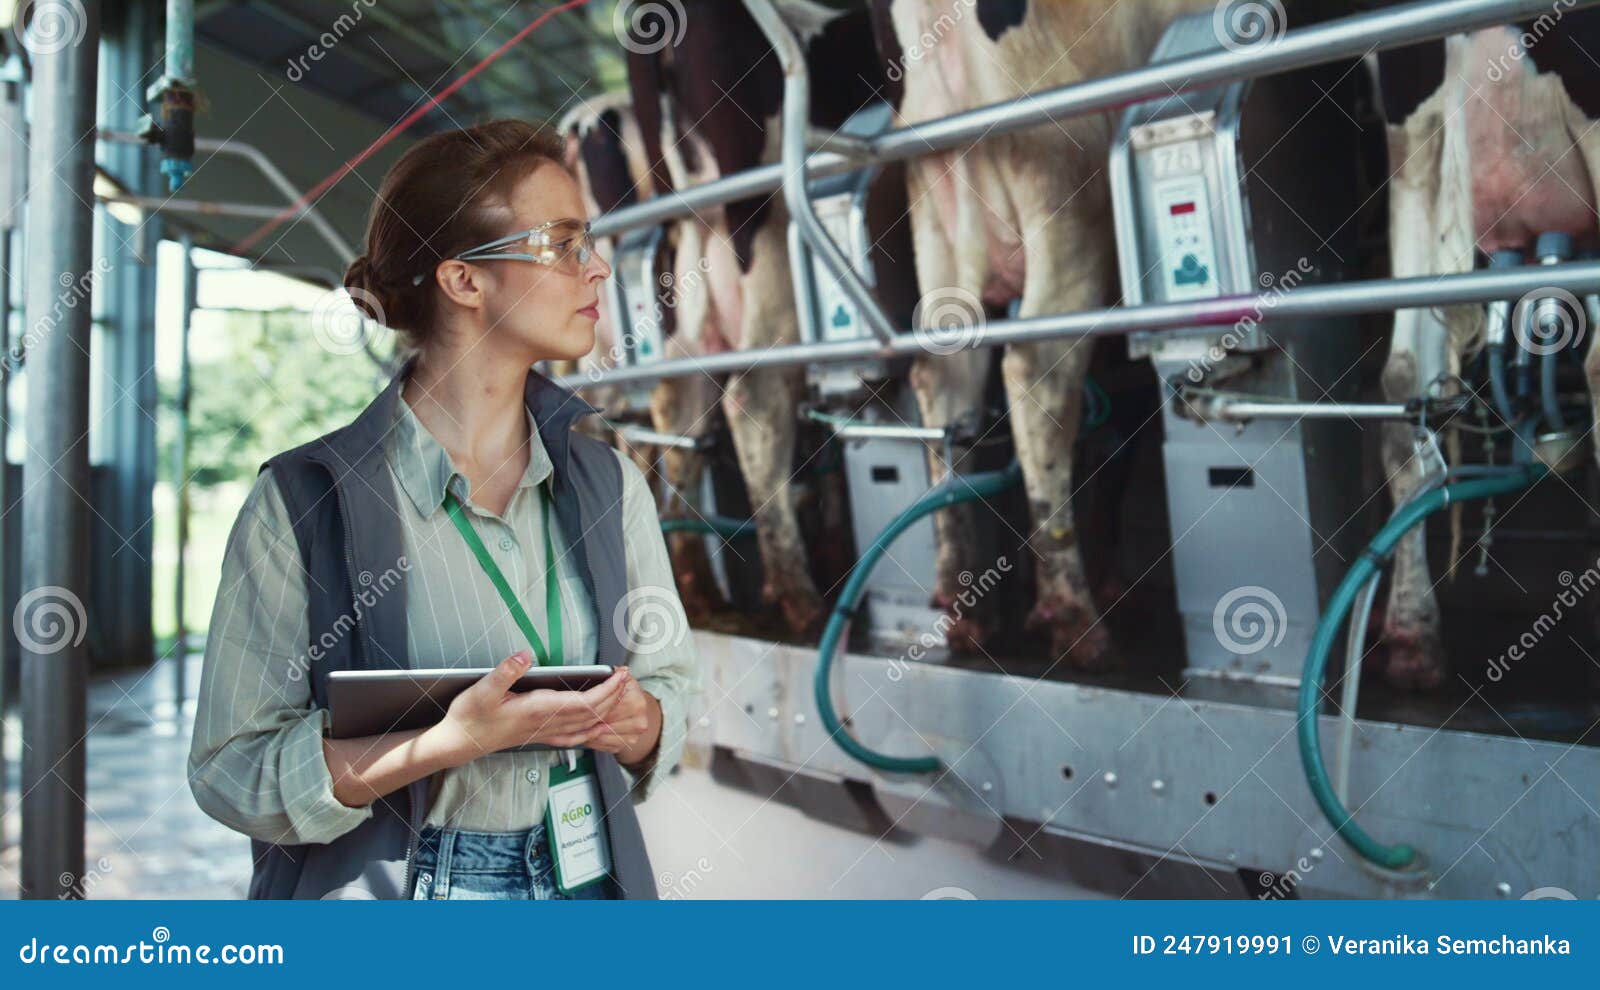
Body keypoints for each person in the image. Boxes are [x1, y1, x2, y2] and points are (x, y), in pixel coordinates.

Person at [187, 119, 700, 900]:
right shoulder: (302, 502)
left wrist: (646, 725)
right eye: (563, 244)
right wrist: (436, 745)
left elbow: (670, 685)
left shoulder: (611, 484)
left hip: (586, 881)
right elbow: (230, 770)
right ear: (464, 282)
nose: (597, 270)